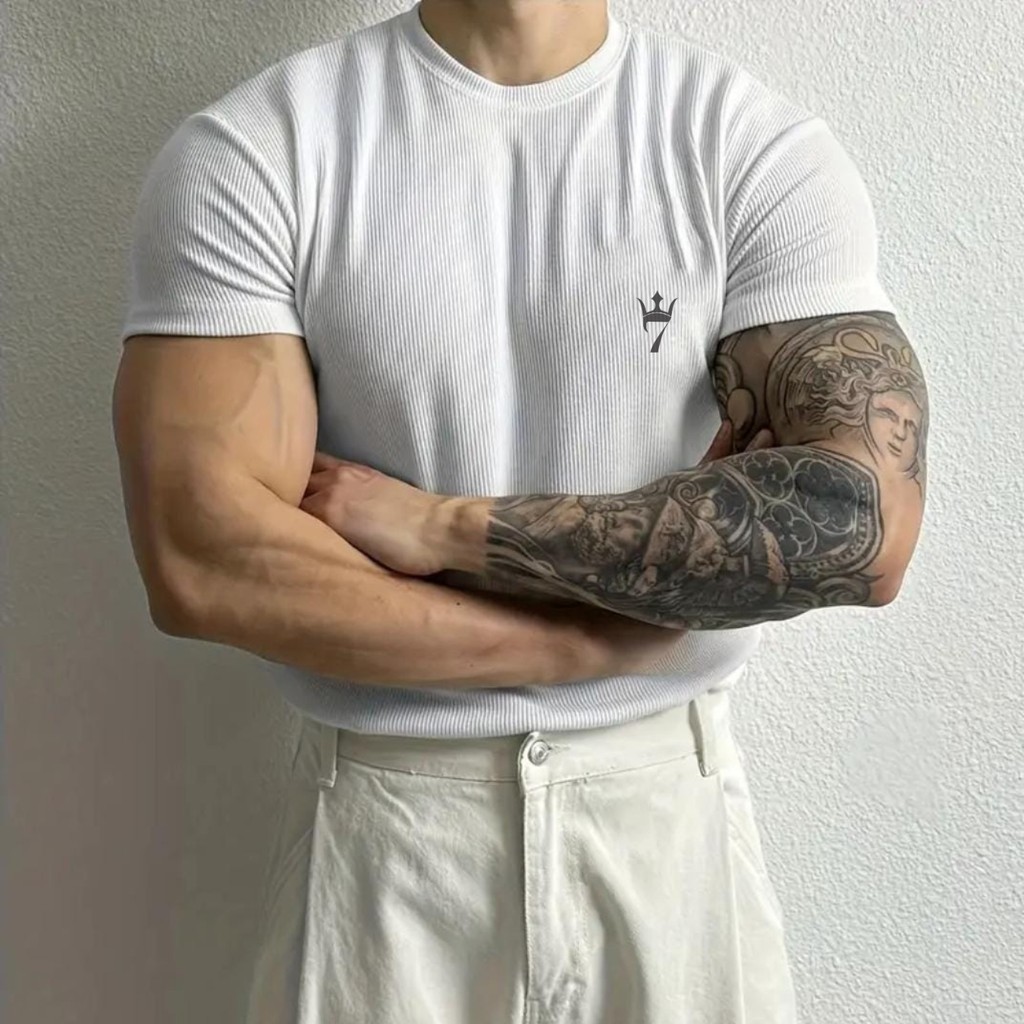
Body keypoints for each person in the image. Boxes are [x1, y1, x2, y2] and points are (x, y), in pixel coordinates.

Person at [111, 1, 930, 1021]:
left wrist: (445, 527)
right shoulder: (261, 149)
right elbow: (202, 560)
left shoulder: (745, 149)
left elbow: (858, 526)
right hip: (387, 831)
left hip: (662, 823)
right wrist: (577, 646)